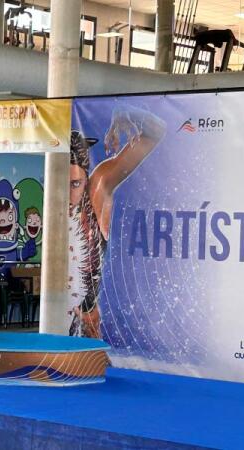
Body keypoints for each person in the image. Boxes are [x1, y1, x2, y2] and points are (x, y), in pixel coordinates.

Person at [68, 105, 166, 338]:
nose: (67, 195)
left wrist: (124, 113)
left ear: (84, 181)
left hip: (85, 327)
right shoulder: (52, 210)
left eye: (74, 185)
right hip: (54, 322)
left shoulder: (95, 194)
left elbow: (156, 131)